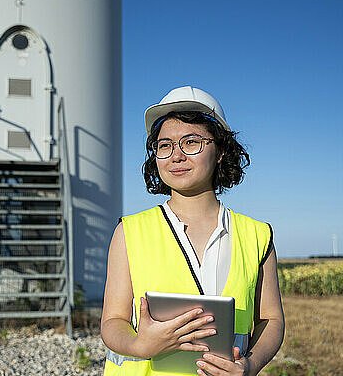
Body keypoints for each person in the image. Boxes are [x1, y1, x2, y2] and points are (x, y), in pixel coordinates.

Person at [101, 86, 284, 376]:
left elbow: (271, 320)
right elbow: (112, 322)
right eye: (165, 145)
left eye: (191, 142)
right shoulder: (129, 232)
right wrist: (140, 345)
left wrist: (251, 364)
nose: (176, 155)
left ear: (221, 151)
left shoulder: (258, 236)